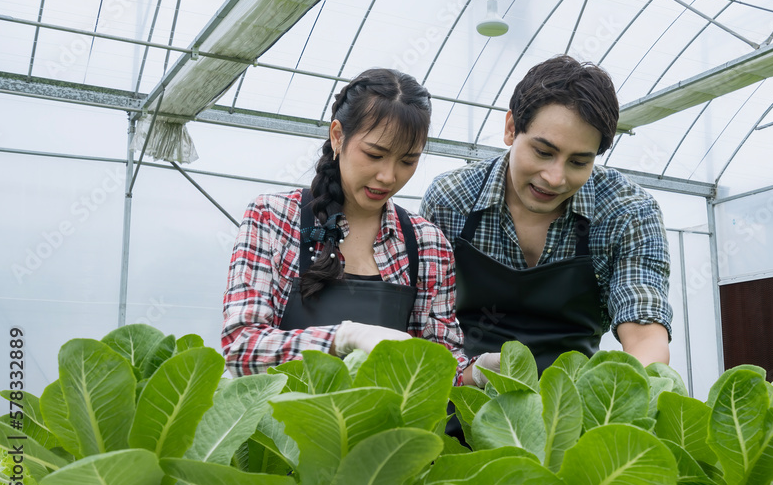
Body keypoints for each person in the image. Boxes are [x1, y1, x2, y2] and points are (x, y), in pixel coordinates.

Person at [222, 68, 483, 385]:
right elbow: (241, 349)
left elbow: (437, 365)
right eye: (375, 154)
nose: (388, 176)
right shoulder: (273, 218)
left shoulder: (427, 243)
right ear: (337, 136)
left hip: (386, 431)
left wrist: (477, 373)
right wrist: (342, 338)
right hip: (280, 430)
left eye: (407, 161)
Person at [420, 55, 673, 378]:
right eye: (543, 152)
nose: (555, 177)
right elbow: (427, 321)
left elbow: (645, 332)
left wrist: (621, 395)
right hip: (466, 396)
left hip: (572, 406)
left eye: (578, 162)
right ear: (511, 129)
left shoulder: (628, 212)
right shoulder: (452, 199)